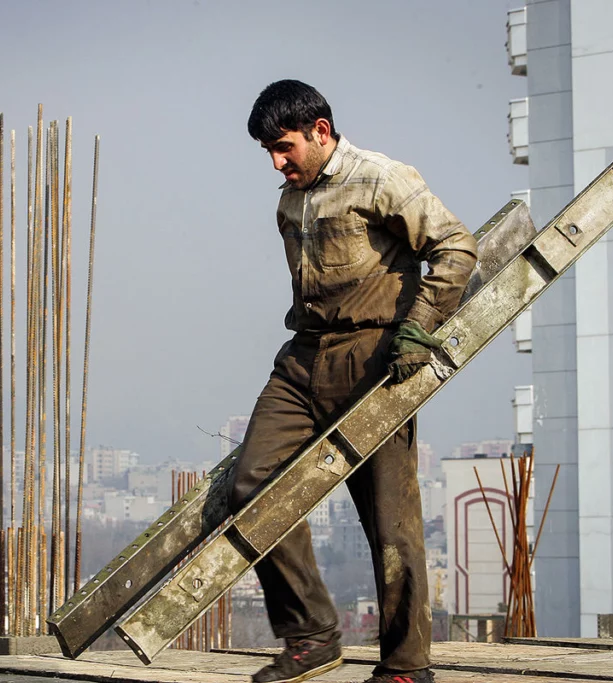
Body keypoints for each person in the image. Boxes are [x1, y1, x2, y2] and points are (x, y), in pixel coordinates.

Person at [232, 80, 478, 683]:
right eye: (267, 151)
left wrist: (419, 329)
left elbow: (456, 247)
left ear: (320, 130)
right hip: (302, 360)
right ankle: (312, 637)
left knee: (389, 521)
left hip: (375, 359)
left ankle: (405, 665)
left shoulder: (381, 177)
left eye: (284, 147)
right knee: (251, 486)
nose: (276, 162)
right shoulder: (289, 200)